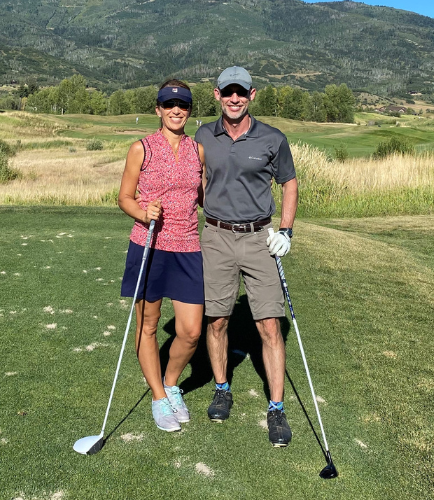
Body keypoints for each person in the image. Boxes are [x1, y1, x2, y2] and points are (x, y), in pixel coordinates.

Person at [195, 67, 299, 447]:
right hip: (217, 237)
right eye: (227, 93)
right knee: (217, 319)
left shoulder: (272, 138)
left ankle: (276, 408)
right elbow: (197, 180)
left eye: (241, 93)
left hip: (259, 238)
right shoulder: (204, 134)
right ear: (217, 95)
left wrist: (286, 230)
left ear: (252, 95)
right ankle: (222, 388)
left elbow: (289, 182)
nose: (234, 99)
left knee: (269, 325)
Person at [118, 79, 205, 432]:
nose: (176, 110)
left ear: (189, 111)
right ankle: (157, 397)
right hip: (149, 245)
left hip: (188, 246)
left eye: (182, 104)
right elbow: (124, 197)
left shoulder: (197, 151)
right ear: (158, 109)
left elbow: (203, 198)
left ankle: (171, 384)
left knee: (191, 331)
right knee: (149, 325)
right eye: (169, 104)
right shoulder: (141, 148)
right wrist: (142, 212)